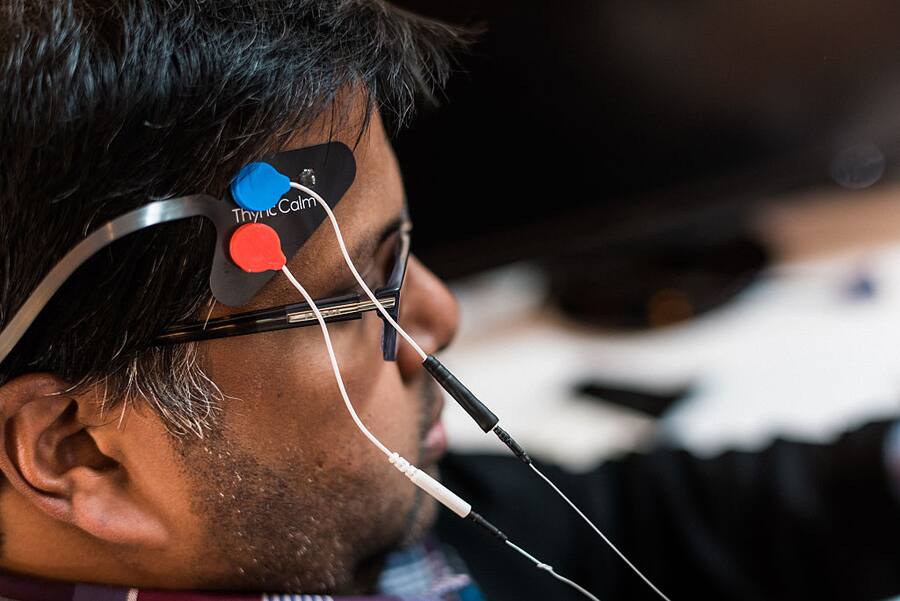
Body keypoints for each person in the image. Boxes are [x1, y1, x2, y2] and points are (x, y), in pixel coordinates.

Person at [1, 2, 900, 601]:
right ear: (83, 450)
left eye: (399, 251)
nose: (436, 317)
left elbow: (616, 528)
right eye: (357, 294)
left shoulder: (309, 496)